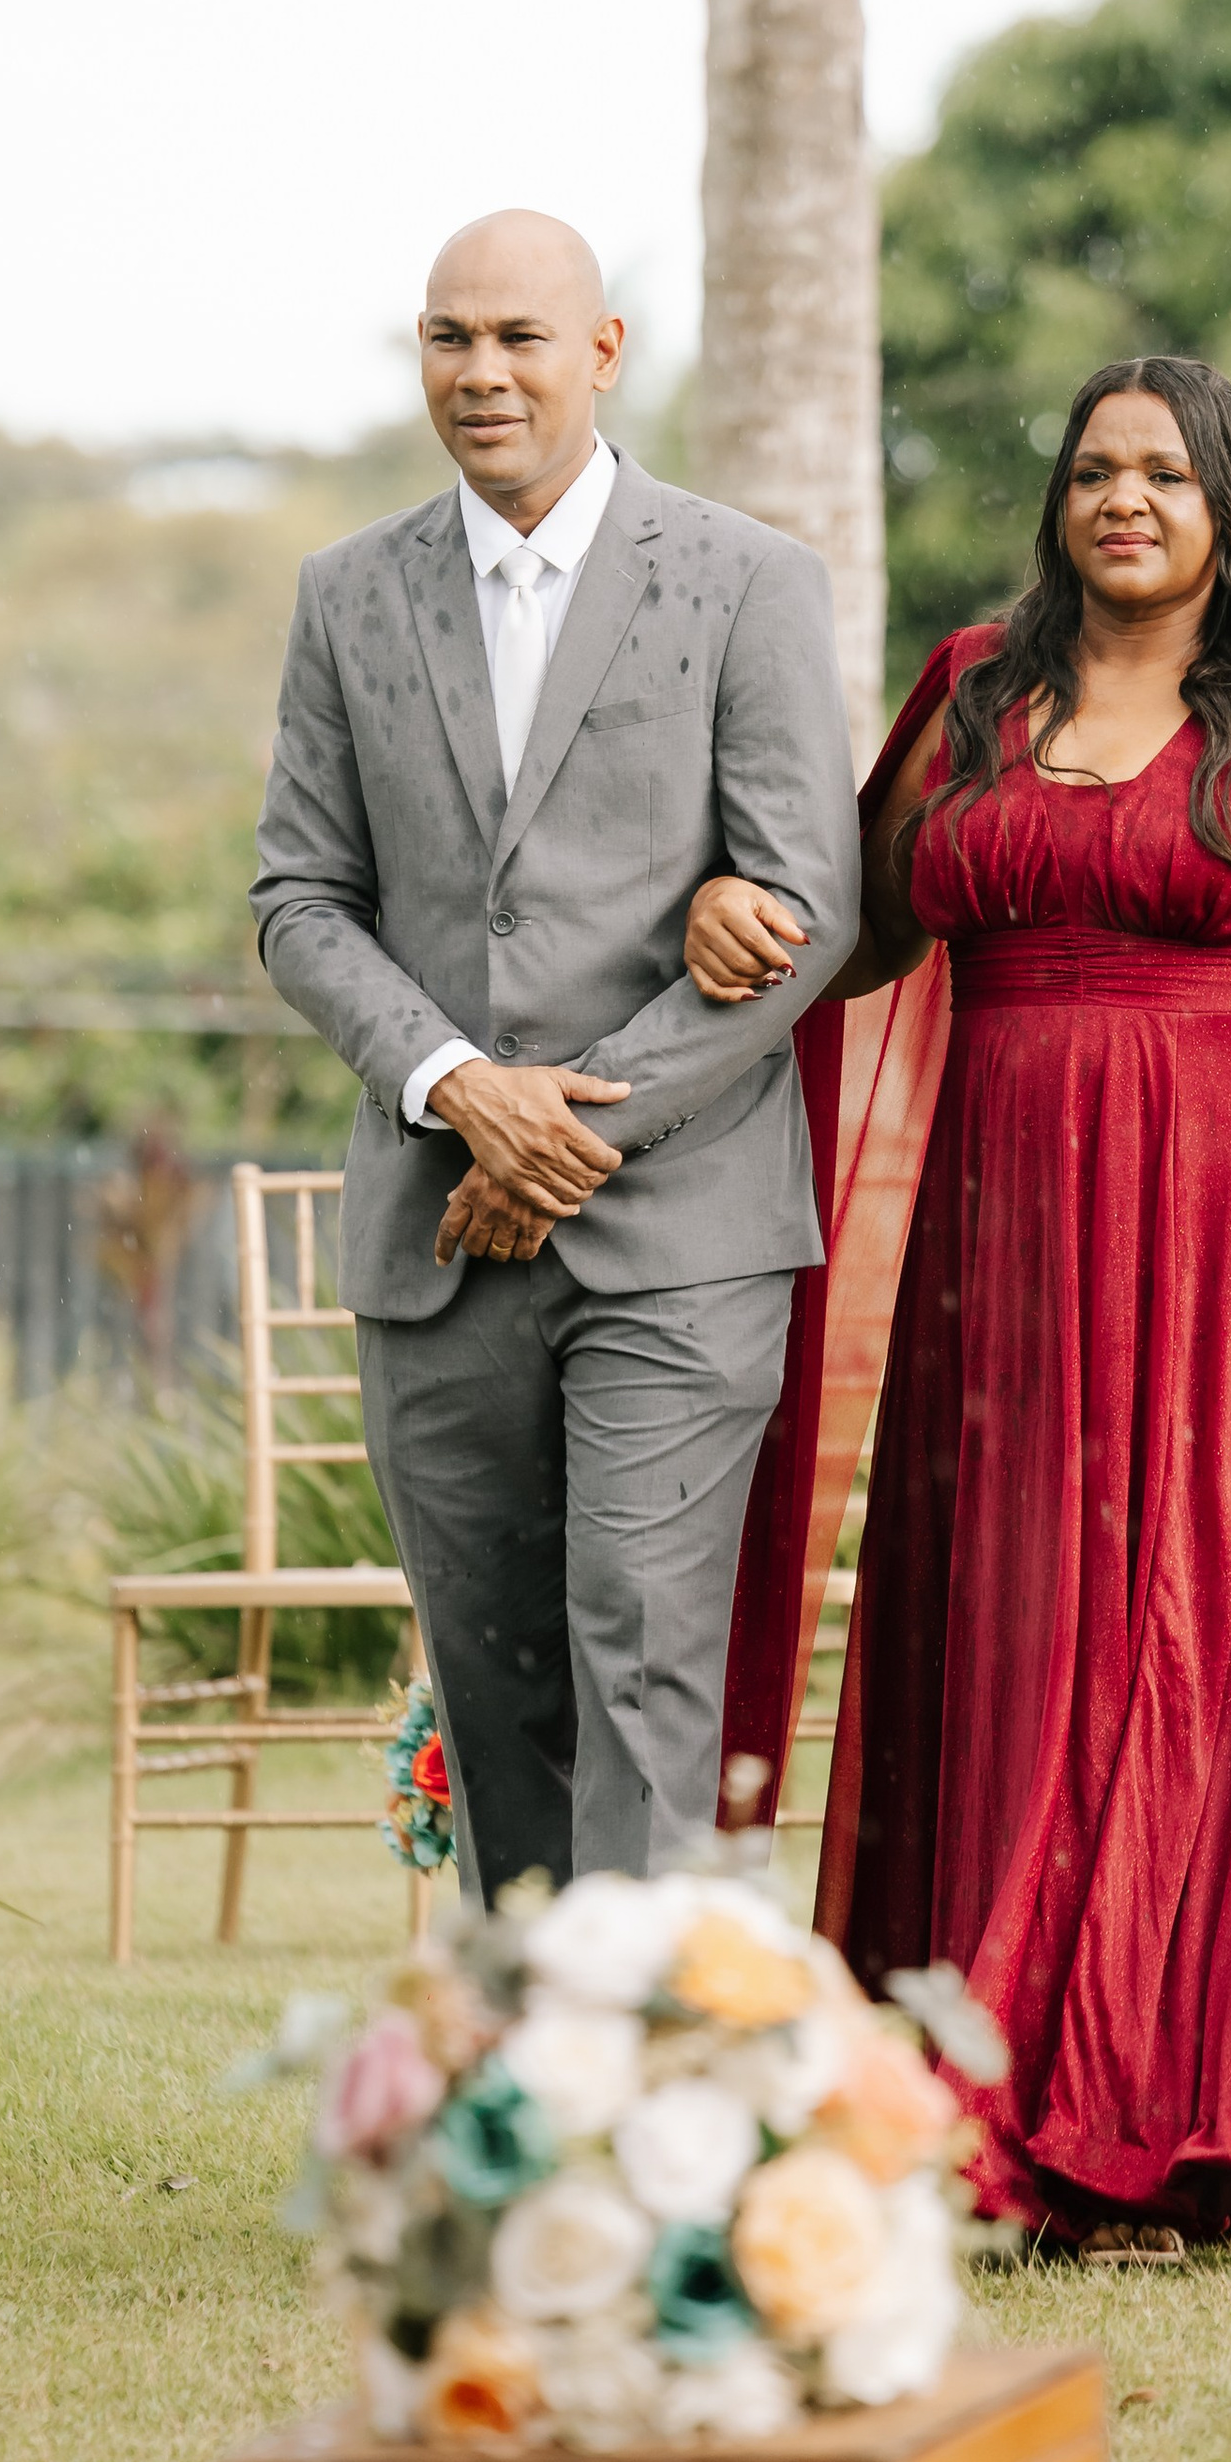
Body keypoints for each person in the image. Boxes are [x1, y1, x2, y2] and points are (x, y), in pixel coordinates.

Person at [688, 356, 1231, 2237]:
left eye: (1167, 474)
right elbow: (857, 930)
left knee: (1225, 1646)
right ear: (1059, 501)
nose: (1126, 499)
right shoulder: (977, 694)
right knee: (1021, 1636)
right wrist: (720, 903)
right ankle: (997, 2079)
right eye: (1096, 470)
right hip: (1010, 1274)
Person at [251, 209, 859, 1898]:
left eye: (521, 337)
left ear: (602, 351)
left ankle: (642, 2048)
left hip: (682, 1238)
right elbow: (300, 899)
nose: (484, 372)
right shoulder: (346, 594)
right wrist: (460, 1088)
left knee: (645, 1671)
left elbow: (811, 906)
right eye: (451, 337)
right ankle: (521, 2042)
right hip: (436, 1234)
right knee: (494, 1690)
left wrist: (565, 1134)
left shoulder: (746, 579)